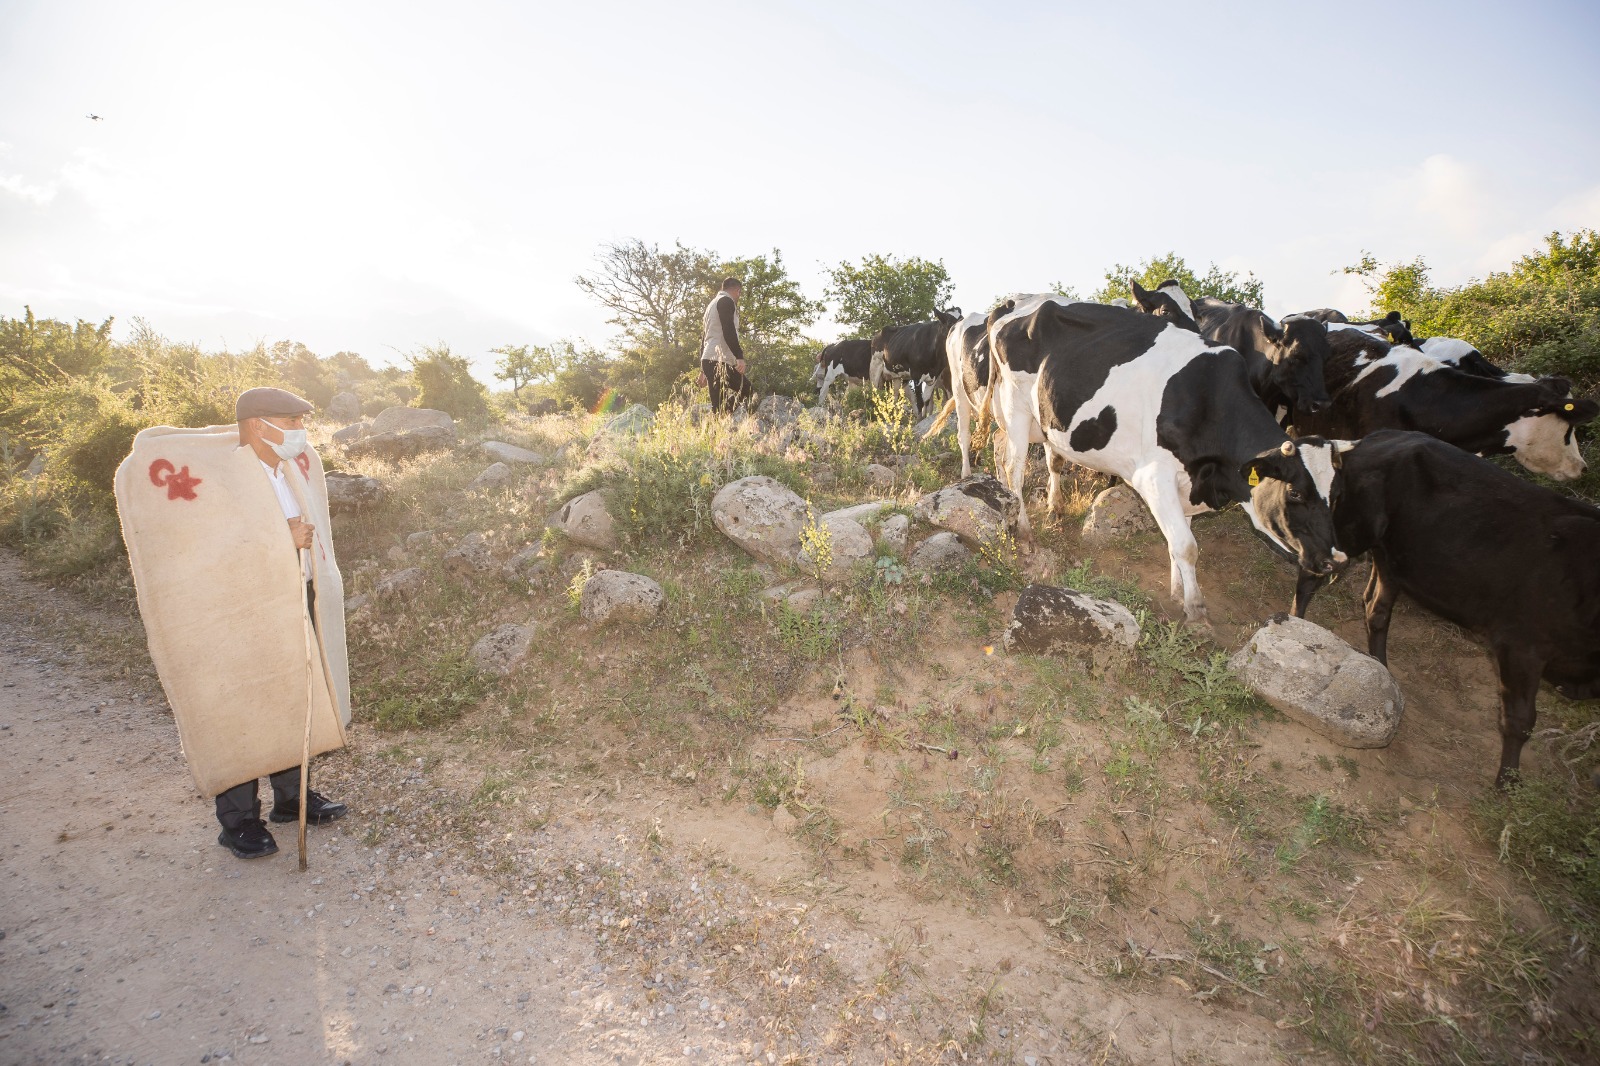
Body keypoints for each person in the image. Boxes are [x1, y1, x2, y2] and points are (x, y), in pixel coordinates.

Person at [213, 387, 349, 859]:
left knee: (296, 698)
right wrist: (281, 538)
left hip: (296, 597)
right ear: (257, 424)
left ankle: (292, 800)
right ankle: (237, 821)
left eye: (300, 420)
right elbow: (213, 553)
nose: (299, 430)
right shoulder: (226, 478)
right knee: (245, 710)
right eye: (290, 420)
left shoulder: (290, 471)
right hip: (245, 611)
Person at [700, 276, 751, 413]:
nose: (738, 297)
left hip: (709, 359)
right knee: (748, 390)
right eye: (739, 293)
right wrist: (739, 356)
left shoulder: (711, 305)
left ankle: (721, 420)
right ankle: (728, 415)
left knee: (718, 406)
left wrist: (702, 370)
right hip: (718, 360)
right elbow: (728, 329)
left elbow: (704, 338)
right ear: (737, 290)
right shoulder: (726, 301)